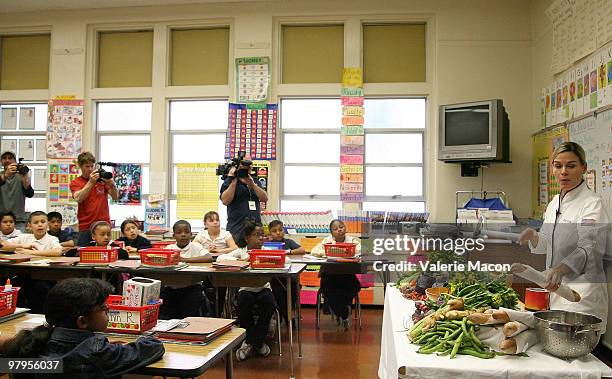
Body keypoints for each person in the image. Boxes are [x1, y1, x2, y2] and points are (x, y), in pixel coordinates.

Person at [519, 142, 610, 332]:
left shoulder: (592, 204)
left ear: (583, 168)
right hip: (557, 294)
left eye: (571, 166)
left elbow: (589, 248)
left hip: (582, 297)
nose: (564, 172)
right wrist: (534, 237)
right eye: (558, 165)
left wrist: (560, 269)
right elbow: (546, 244)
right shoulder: (554, 203)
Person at [0, 278, 165, 377]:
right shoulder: (97, 353)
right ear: (83, 322)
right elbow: (153, 348)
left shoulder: (33, 343)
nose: (108, 309)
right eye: (103, 307)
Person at [217, 220, 276, 361]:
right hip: (245, 289)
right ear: (247, 237)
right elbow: (220, 258)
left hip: (263, 288)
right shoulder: (241, 252)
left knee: (269, 303)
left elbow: (285, 261)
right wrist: (242, 261)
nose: (260, 238)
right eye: (257, 235)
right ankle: (256, 342)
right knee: (243, 302)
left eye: (262, 235)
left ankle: (251, 342)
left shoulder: (267, 252)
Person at [311, 219, 362, 330]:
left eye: (341, 227)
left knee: (355, 286)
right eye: (335, 229)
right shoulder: (327, 240)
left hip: (347, 274)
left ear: (345, 227)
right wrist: (333, 251)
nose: (339, 230)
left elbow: (362, 250)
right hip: (329, 275)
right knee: (329, 291)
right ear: (331, 232)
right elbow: (314, 251)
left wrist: (349, 251)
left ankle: (342, 312)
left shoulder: (352, 240)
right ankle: (344, 314)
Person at [159, 220, 212, 319]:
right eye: (179, 232)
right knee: (166, 314)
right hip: (171, 288)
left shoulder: (195, 246)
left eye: (186, 232)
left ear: (191, 234)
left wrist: (184, 259)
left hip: (192, 288)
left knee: (190, 313)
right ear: (174, 235)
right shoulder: (169, 248)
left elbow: (208, 258)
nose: (183, 235)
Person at [69, 152, 118, 247]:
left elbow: (115, 197)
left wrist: (113, 185)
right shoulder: (76, 182)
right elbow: (79, 198)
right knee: (83, 255)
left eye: (92, 166)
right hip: (86, 227)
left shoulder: (102, 181)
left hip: (103, 225)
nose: (90, 169)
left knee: (106, 254)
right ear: (80, 166)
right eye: (87, 166)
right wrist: (91, 182)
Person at [220, 158, 268, 239]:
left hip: (255, 228)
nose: (247, 169)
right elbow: (225, 201)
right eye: (244, 167)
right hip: (237, 227)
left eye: (249, 166)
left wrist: (253, 185)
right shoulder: (229, 181)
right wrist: (233, 181)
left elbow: (264, 198)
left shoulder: (255, 181)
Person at [268, 220, 303, 325]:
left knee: (295, 286)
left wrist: (288, 252)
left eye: (280, 230)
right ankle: (286, 316)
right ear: (270, 233)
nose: (278, 233)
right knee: (278, 290)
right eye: (274, 231)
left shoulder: (288, 242)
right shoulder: (268, 244)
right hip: (274, 277)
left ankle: (287, 313)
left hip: (288, 275)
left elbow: (302, 250)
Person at [0, 151, 34, 231]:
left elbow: (30, 194)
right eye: (4, 158)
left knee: (20, 242)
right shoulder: (1, 175)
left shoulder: (21, 176)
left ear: (15, 161)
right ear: (1, 162)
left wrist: (25, 178)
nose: (7, 160)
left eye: (10, 158)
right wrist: (5, 175)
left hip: (18, 220)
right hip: (1, 219)